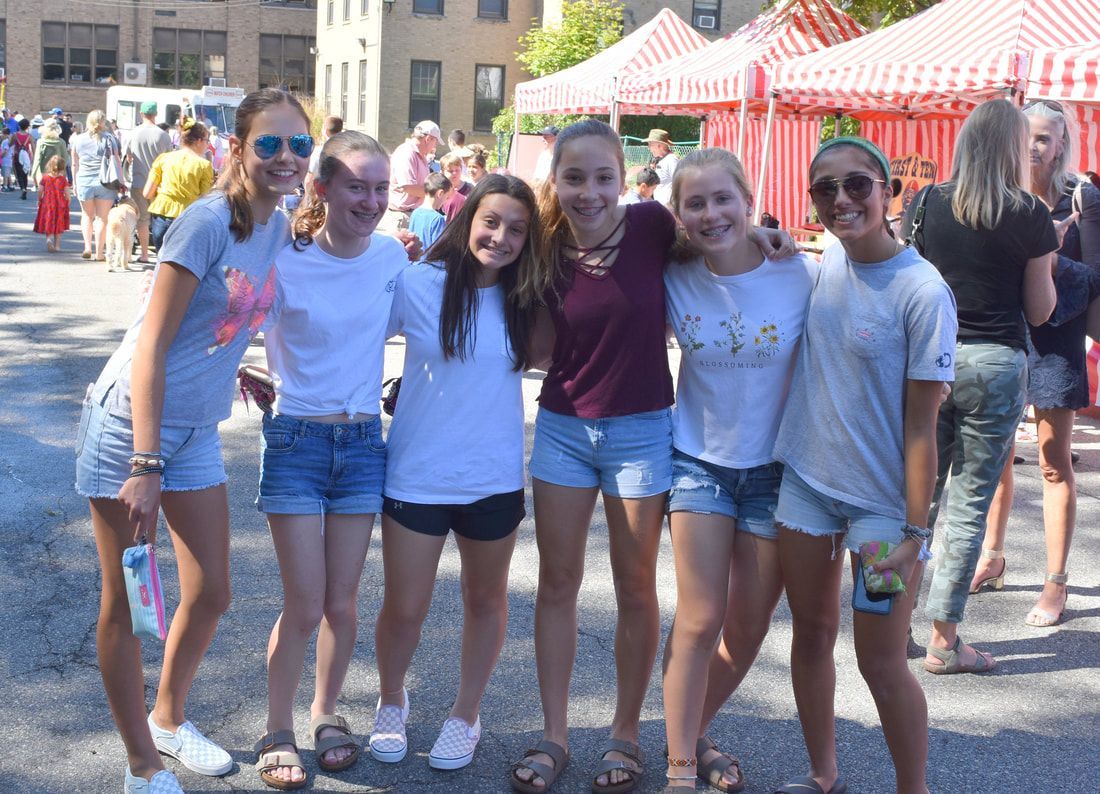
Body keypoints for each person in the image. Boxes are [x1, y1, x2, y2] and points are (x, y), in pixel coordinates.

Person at [509, 120, 794, 794]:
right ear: (556, 180)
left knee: (636, 587)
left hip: (642, 432)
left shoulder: (649, 227)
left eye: (602, 177)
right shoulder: (543, 242)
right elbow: (508, 300)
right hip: (563, 429)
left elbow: (714, 235)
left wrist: (763, 235)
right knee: (558, 583)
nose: (588, 192)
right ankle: (555, 736)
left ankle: (626, 733)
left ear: (624, 176)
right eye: (574, 178)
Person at [74, 88, 313, 794]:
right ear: (235, 148)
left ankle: (168, 721)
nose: (285, 157)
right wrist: (145, 462)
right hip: (132, 429)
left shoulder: (276, 221)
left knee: (210, 590)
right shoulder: (208, 222)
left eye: (298, 145)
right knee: (124, 601)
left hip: (196, 426)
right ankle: (141, 764)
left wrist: (234, 366)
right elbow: (151, 344)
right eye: (268, 144)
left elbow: (220, 315)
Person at [770, 136, 956, 794]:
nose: (842, 200)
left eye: (857, 185)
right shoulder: (825, 266)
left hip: (882, 514)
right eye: (826, 189)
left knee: (880, 662)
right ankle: (824, 774)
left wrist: (913, 535)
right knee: (812, 634)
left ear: (887, 191)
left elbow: (921, 429)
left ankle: (914, 789)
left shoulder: (922, 292)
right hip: (807, 493)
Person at [660, 148, 819, 794]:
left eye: (723, 199)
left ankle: (690, 731)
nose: (711, 213)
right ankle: (678, 767)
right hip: (697, 463)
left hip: (775, 472)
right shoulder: (671, 272)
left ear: (748, 199)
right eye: (694, 203)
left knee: (748, 627)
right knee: (699, 619)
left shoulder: (799, 274)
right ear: (678, 214)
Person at [253, 130, 406, 790]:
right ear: (322, 189)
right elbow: (225, 313)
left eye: (381, 188)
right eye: (357, 187)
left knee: (343, 603)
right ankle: (278, 726)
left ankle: (324, 712)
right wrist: (238, 366)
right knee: (305, 602)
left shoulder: (393, 257)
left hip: (364, 445)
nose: (371, 201)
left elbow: (439, 310)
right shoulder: (284, 257)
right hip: (297, 443)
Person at [371, 174, 537, 774]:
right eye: (491, 221)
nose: (501, 236)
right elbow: (352, 324)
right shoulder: (418, 283)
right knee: (404, 607)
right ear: (466, 221)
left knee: (485, 600)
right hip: (415, 474)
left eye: (517, 228)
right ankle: (392, 700)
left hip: (492, 479)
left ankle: (466, 714)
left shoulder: (528, 298)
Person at [901, 99, 1059, 674]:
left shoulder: (927, 201)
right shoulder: (1032, 214)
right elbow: (1041, 312)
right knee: (968, 509)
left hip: (927, 362)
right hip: (994, 363)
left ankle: (886, 626)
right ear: (1016, 147)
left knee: (906, 501)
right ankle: (945, 639)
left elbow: (906, 280)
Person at [969, 99, 1099, 628]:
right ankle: (992, 558)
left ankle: (1056, 581)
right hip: (1003, 339)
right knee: (995, 459)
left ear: (1063, 144)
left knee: (1052, 460)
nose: (1033, 146)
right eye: (1026, 136)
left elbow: (1094, 276)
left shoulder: (1081, 198)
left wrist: (1048, 256)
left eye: (1045, 137)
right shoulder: (997, 196)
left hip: (1057, 339)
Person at [144, 119, 216, 250]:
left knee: (161, 260)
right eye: (207, 141)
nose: (208, 145)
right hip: (188, 218)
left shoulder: (163, 158)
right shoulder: (204, 165)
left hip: (161, 214)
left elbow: (147, 193)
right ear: (199, 141)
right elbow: (205, 198)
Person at [70, 110, 124, 260]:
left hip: (84, 180)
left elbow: (75, 163)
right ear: (103, 122)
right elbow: (117, 161)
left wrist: (74, 182)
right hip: (105, 181)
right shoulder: (110, 138)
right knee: (102, 218)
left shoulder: (78, 139)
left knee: (87, 215)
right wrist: (122, 181)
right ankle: (99, 253)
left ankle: (87, 247)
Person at [123, 101, 173, 264]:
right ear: (156, 114)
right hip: (159, 184)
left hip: (138, 181)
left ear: (141, 114)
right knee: (160, 218)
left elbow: (128, 157)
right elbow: (169, 159)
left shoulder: (133, 133)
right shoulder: (163, 135)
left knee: (142, 219)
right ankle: (161, 253)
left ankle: (144, 254)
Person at [381, 120, 440, 232]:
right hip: (402, 217)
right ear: (428, 139)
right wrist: (435, 194)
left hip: (411, 215)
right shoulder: (406, 153)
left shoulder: (419, 155)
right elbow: (408, 186)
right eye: (435, 142)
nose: (435, 146)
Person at [33, 154, 70, 253]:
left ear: (50, 165)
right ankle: (57, 246)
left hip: (47, 203)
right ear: (62, 167)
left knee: (48, 221)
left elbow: (40, 190)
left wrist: (39, 199)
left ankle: (49, 240)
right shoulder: (63, 179)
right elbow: (67, 193)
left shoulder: (45, 178)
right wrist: (68, 201)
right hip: (59, 204)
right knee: (59, 223)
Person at [407, 172, 450, 254]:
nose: (445, 201)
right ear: (440, 194)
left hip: (414, 262)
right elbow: (439, 249)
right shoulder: (437, 219)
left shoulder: (415, 213)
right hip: (430, 264)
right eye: (446, 197)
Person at [30, 118, 70, 185]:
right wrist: (62, 169)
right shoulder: (61, 142)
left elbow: (37, 159)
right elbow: (65, 157)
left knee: (45, 193)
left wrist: (33, 173)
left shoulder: (41, 142)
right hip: (58, 172)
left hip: (44, 172)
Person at [645, 129, 678, 207]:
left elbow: (680, 184)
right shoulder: (658, 160)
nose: (648, 147)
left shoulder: (671, 160)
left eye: (650, 144)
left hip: (668, 210)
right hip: (660, 208)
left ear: (659, 145)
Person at [439, 152, 472, 222]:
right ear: (442, 172)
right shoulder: (439, 190)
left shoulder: (469, 189)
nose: (454, 173)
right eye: (450, 171)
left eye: (457, 170)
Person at [11, 116, 36, 199]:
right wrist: (34, 157)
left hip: (17, 156)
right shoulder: (29, 136)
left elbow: (10, 144)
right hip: (26, 157)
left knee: (18, 174)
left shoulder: (15, 135)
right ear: (27, 127)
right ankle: (24, 188)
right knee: (25, 173)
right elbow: (33, 147)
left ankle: (23, 189)